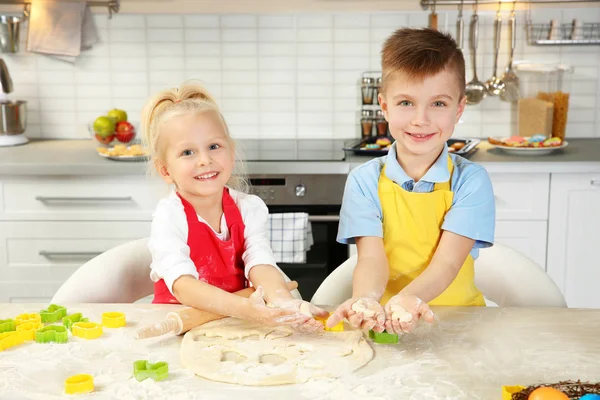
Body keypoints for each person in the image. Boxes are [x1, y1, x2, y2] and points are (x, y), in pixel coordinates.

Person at [327, 29, 496, 335]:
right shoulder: (364, 181)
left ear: (459, 109)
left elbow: (447, 263)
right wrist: (366, 302)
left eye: (438, 104)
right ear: (384, 105)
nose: (421, 119)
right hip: (386, 324)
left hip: (458, 324)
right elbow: (371, 258)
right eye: (406, 103)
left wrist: (408, 299)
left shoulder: (470, 181)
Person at [141, 81, 327, 331]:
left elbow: (260, 262)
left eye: (214, 146)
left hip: (236, 325)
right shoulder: (170, 215)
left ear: (231, 151)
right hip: (179, 326)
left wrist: (283, 301)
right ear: (165, 170)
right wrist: (245, 309)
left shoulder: (249, 208)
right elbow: (183, 285)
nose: (205, 160)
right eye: (187, 152)